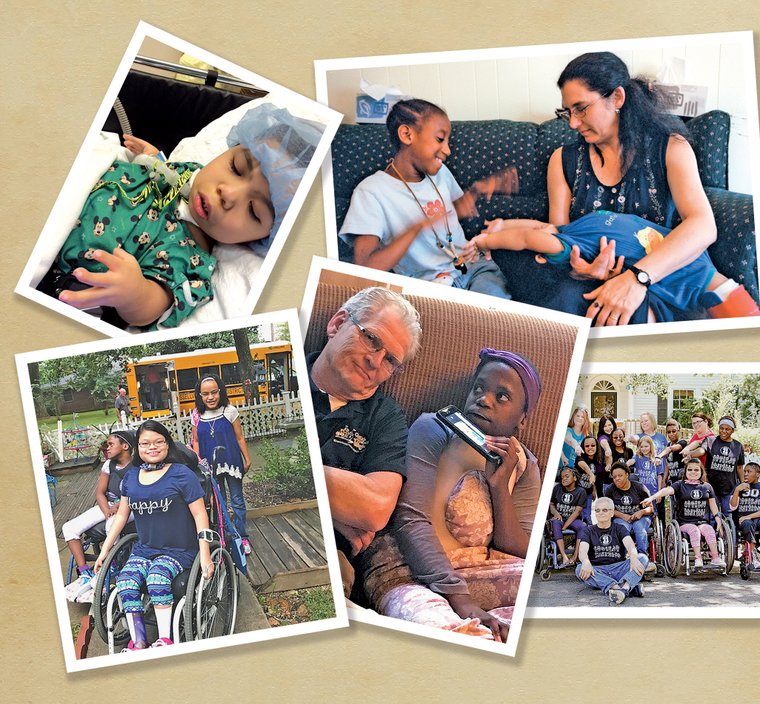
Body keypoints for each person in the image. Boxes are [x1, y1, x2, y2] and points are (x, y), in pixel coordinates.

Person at [47, 103, 323, 329]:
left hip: (59, 259)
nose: (228, 193)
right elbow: (168, 170)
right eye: (237, 167)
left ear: (265, 238)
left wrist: (133, 293)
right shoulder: (190, 173)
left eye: (254, 211)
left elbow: (152, 305)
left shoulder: (190, 260)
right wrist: (154, 157)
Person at [358, 348, 542, 642]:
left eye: (502, 396)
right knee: (451, 633)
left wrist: (499, 488)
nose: (484, 399)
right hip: (408, 571)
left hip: (482, 570)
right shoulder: (433, 428)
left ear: (522, 420)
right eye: (478, 389)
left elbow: (520, 547)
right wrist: (462, 601)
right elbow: (410, 519)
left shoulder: (523, 463)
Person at [538, 51, 720, 326]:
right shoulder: (562, 161)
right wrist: (578, 268)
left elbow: (703, 226)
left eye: (581, 108)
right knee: (564, 299)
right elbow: (560, 239)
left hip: (659, 279)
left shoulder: (671, 148)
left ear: (618, 98)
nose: (573, 123)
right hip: (586, 284)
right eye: (567, 112)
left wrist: (636, 278)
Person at [308, 287, 421, 597]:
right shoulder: (280, 370)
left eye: (390, 361)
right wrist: (332, 508)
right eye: (372, 339)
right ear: (337, 323)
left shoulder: (386, 417)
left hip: (325, 552)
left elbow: (375, 508)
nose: (375, 361)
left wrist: (287, 473)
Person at [339, 98, 516, 296]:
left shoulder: (440, 173)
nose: (447, 150)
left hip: (473, 267)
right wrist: (417, 226)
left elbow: (451, 212)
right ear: (407, 135)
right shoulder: (370, 192)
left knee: (495, 307)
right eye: (440, 139)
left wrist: (477, 191)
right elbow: (365, 269)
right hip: (427, 284)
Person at [461, 211, 759, 320]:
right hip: (684, 254)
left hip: (678, 263)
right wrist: (500, 229)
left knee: (713, 291)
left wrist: (487, 240)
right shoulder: (578, 231)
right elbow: (538, 227)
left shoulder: (565, 244)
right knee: (715, 289)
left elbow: (531, 235)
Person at [94, 421, 214, 650]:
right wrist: (105, 549)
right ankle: (138, 641)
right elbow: (120, 517)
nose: (152, 447)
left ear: (167, 444)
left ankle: (164, 640)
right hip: (145, 549)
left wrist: (205, 555)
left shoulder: (182, 475)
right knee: (126, 582)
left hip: (179, 550)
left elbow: (201, 515)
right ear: (137, 447)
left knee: (157, 578)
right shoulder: (131, 478)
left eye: (159, 442)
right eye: (145, 443)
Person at [62, 430, 135, 602]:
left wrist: (119, 507)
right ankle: (84, 572)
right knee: (69, 528)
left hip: (130, 507)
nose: (107, 448)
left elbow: (138, 492)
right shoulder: (108, 465)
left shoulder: (137, 466)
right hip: (108, 505)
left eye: (111, 444)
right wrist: (106, 510)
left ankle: (111, 568)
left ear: (125, 446)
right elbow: (100, 493)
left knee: (111, 526)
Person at [191, 375, 252, 554]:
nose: (210, 397)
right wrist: (198, 462)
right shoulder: (196, 414)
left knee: (237, 500)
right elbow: (195, 441)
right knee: (219, 503)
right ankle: (227, 536)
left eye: (214, 392)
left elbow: (239, 437)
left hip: (232, 462)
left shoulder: (230, 411)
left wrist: (247, 458)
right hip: (209, 466)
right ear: (199, 395)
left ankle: (243, 536)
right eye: (205, 394)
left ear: (220, 391)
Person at [644, 458, 726, 569]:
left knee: (709, 530)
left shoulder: (707, 487)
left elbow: (713, 505)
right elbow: (666, 491)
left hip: (702, 522)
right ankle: (698, 558)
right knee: (694, 530)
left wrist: (717, 518)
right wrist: (652, 497)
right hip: (684, 523)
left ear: (701, 471)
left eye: (696, 470)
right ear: (686, 471)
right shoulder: (680, 485)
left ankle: (715, 558)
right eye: (690, 469)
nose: (693, 472)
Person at [575, 496, 648, 604]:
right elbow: (582, 551)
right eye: (597, 510)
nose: (600, 513)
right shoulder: (588, 531)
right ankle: (622, 588)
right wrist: (585, 562)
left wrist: (633, 559)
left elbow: (630, 545)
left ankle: (622, 588)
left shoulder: (619, 528)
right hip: (597, 571)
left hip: (619, 568)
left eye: (605, 510)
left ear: (612, 513)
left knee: (642, 558)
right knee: (579, 569)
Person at [686, 416, 745, 519]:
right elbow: (701, 451)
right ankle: (714, 534)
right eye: (721, 428)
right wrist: (690, 454)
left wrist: (743, 482)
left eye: (727, 429)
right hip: (712, 486)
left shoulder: (738, 446)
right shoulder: (711, 440)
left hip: (729, 487)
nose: (723, 431)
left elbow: (739, 467)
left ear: (732, 430)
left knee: (728, 515)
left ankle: (728, 534)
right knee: (713, 516)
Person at [729, 462, 760, 570]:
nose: (745, 474)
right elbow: (732, 507)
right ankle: (752, 556)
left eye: (749, 471)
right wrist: (737, 490)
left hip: (759, 519)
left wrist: (749, 516)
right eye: (745, 471)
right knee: (747, 523)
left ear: (757, 474)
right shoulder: (738, 488)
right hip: (743, 521)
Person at [549, 466, 587, 565]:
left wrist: (565, 526)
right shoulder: (557, 488)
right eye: (562, 477)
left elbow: (577, 512)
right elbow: (551, 504)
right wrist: (556, 513)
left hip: (573, 519)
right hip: (560, 518)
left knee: (583, 526)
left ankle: (575, 556)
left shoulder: (581, 491)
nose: (564, 479)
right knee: (556, 522)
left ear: (574, 478)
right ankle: (564, 556)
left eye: (566, 476)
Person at [575, 435, 607, 514]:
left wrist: (593, 489)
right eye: (587, 446)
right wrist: (591, 474)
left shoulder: (597, 460)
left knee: (587, 515)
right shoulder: (579, 458)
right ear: (583, 447)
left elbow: (596, 477)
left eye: (593, 445)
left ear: (597, 446)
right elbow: (584, 466)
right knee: (578, 513)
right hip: (578, 492)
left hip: (588, 492)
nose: (590, 448)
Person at [658, 417, 688, 485]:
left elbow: (673, 448)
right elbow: (667, 464)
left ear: (679, 430)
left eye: (674, 431)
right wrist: (664, 480)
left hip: (682, 479)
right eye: (669, 432)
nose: (671, 434)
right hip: (672, 479)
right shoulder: (668, 444)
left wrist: (659, 456)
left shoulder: (683, 443)